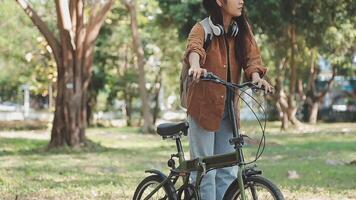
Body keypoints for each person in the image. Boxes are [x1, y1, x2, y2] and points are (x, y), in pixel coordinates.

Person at [183, 0, 273, 199]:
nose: (242, 1)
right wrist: (196, 66)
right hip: (203, 109)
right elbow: (194, 49)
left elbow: (252, 59)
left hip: (229, 110)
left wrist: (257, 78)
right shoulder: (202, 28)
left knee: (228, 171)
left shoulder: (241, 30)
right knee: (205, 171)